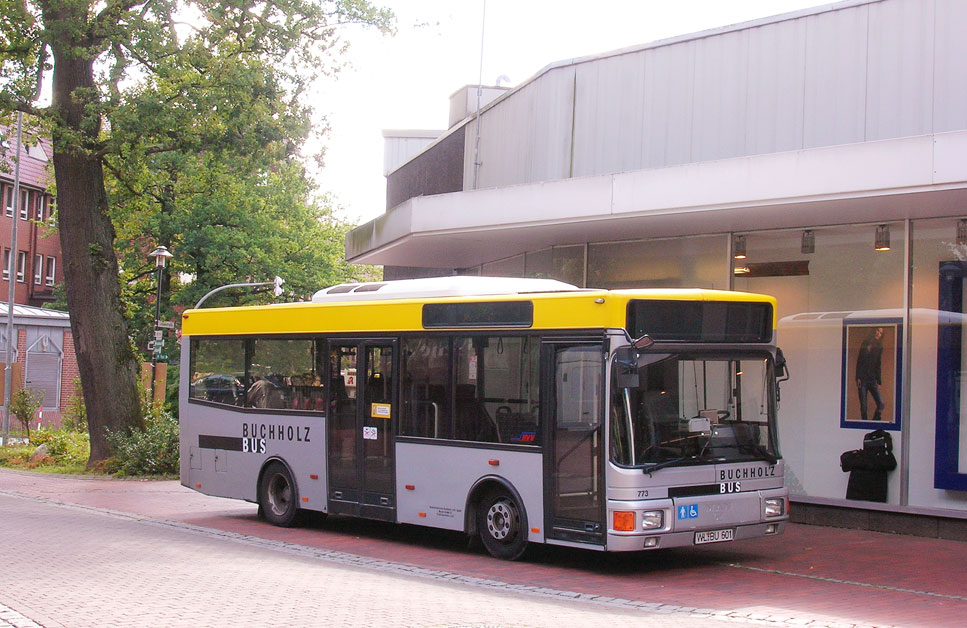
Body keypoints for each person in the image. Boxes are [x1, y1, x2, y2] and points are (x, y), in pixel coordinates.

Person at [855, 327, 885, 421]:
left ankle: (874, 421)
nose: (878, 334)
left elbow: (878, 364)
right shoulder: (865, 343)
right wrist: (858, 377)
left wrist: (879, 381)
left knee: (881, 403)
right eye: (877, 331)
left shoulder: (879, 346)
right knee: (863, 406)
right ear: (874, 331)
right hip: (863, 378)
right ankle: (865, 424)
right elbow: (859, 360)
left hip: (872, 379)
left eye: (880, 333)